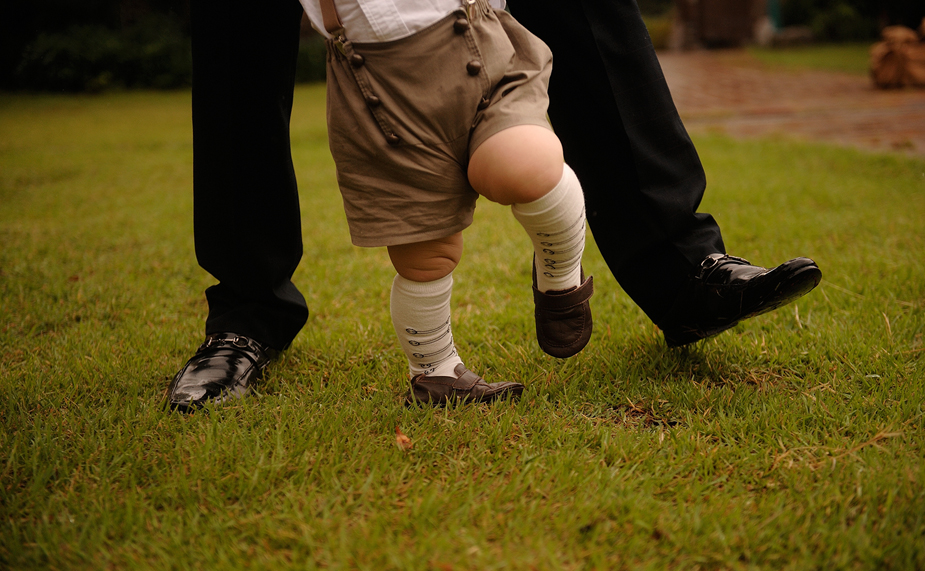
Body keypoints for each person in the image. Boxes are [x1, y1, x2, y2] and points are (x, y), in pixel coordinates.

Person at [164, 0, 822, 412]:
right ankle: (253, 314)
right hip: (376, 78)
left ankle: (671, 268)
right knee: (239, 33)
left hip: (476, 42)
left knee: (526, 158)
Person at [311, 0, 594, 404]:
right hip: (374, 90)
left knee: (524, 164)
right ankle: (435, 372)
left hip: (473, 44)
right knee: (423, 251)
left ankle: (560, 271)